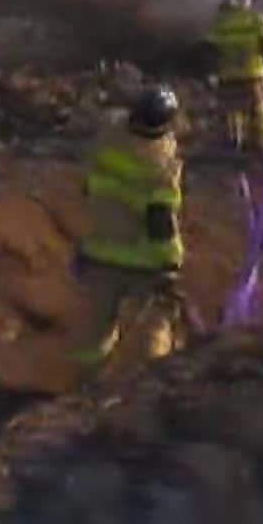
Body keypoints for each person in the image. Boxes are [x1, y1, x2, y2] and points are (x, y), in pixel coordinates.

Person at [72, 85, 190, 375]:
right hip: (144, 260)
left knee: (94, 330)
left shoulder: (107, 137)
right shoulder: (162, 161)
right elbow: (160, 219)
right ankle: (148, 392)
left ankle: (84, 388)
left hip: (99, 250)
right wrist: (171, 261)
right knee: (154, 326)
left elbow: (89, 182)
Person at [203, 0, 263, 152]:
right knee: (258, 110)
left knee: (231, 112)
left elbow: (209, 49)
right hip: (253, 73)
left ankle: (233, 143)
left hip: (227, 74)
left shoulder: (219, 21)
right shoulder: (255, 18)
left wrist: (210, 72)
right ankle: (262, 144)